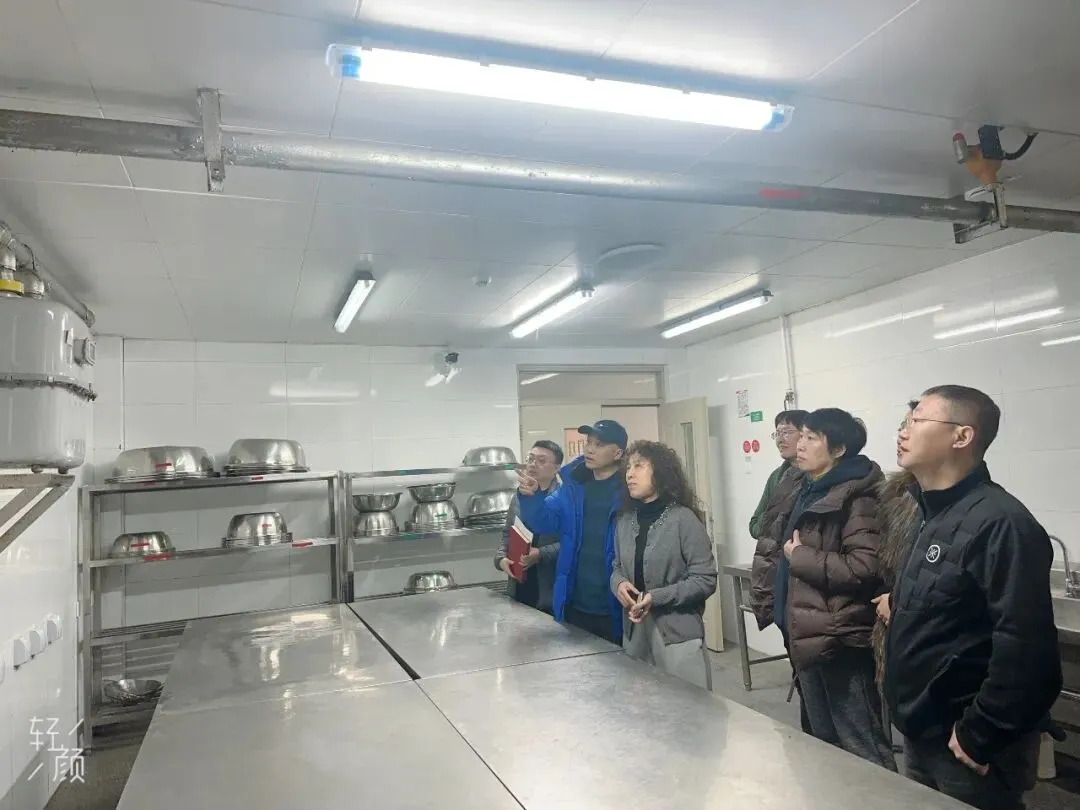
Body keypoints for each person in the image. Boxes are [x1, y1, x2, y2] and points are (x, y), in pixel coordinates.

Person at [884, 385, 1062, 810]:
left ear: (961, 436)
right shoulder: (931, 513)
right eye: (905, 421)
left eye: (917, 420)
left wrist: (978, 734)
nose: (903, 431)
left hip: (966, 743)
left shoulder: (1002, 524)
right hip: (923, 730)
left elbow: (1027, 650)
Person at [771, 407, 897, 771]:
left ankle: (880, 797)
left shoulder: (857, 498)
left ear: (838, 449)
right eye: (801, 436)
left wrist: (801, 557)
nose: (800, 444)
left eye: (811, 438)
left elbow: (864, 567)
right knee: (822, 740)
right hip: (807, 632)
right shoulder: (807, 488)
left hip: (838, 638)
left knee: (861, 744)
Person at [610, 440, 717, 689]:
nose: (630, 474)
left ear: (660, 472)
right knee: (641, 704)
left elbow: (705, 579)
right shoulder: (624, 520)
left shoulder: (683, 520)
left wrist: (657, 597)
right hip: (635, 631)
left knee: (688, 704)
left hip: (677, 633)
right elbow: (616, 566)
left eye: (639, 466)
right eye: (628, 467)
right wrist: (619, 584)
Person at [516, 419, 627, 644]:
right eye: (589, 442)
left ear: (618, 453)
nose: (589, 449)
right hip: (575, 601)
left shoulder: (629, 491)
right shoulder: (573, 488)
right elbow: (543, 522)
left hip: (616, 603)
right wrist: (534, 497)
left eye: (599, 444)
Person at [749, 408, 811, 731]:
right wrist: (774, 524)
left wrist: (777, 527)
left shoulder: (812, 476)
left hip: (804, 575)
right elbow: (755, 524)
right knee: (793, 649)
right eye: (777, 433)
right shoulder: (778, 476)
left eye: (788, 431)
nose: (780, 439)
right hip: (777, 573)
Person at [869, 402, 920, 689]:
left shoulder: (988, 514)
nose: (902, 434)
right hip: (894, 632)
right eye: (902, 426)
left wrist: (897, 602)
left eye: (914, 424)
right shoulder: (895, 493)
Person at [495, 439, 563, 613]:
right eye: (530, 459)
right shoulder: (519, 496)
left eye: (541, 460)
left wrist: (540, 553)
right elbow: (507, 533)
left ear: (556, 468)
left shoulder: (564, 499)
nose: (533, 464)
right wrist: (501, 559)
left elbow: (572, 542)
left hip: (549, 587)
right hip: (519, 585)